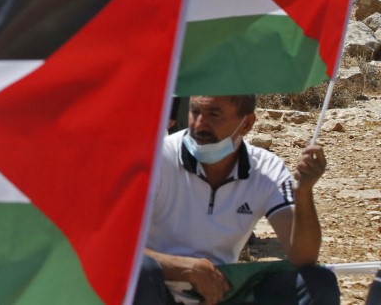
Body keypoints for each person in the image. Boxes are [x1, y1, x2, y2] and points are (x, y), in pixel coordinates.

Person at [138, 95, 341, 305]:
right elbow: (111, 246)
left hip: (222, 291)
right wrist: (181, 267)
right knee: (141, 270)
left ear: (247, 123)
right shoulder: (156, 159)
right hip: (158, 287)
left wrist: (304, 192)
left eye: (214, 115)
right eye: (195, 112)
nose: (199, 125)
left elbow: (303, 258)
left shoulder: (267, 169)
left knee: (317, 282)